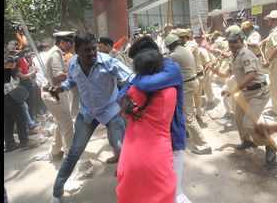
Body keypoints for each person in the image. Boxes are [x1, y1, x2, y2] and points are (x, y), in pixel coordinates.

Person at [49, 33, 133, 203]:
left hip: (111, 111)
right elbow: (72, 81)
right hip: (87, 113)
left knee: (121, 148)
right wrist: (60, 88)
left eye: (94, 48)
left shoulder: (109, 62)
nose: (92, 53)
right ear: (76, 50)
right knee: (74, 152)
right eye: (87, 50)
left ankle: (130, 189)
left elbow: (131, 78)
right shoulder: (73, 63)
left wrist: (124, 97)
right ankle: (57, 192)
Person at [119, 36, 191, 203]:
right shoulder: (146, 73)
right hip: (154, 141)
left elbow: (145, 85)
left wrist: (133, 84)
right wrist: (124, 98)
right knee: (156, 188)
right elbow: (122, 94)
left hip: (173, 135)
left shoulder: (171, 68)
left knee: (174, 190)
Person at [221, 25, 277, 168]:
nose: (232, 45)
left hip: (259, 92)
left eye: (235, 42)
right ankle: (246, 141)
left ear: (241, 40)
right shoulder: (235, 55)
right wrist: (214, 70)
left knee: (249, 123)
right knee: (238, 118)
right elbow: (228, 73)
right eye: (230, 42)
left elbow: (251, 75)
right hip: (246, 92)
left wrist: (234, 89)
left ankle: (269, 146)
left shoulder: (245, 53)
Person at [164, 34, 212, 155]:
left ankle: (203, 144)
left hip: (187, 85)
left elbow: (165, 63)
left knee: (188, 116)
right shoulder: (184, 50)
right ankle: (187, 133)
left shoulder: (175, 55)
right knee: (185, 111)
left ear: (171, 45)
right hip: (192, 81)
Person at [40, 31, 76, 161]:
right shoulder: (55, 54)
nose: (71, 46)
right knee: (67, 124)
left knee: (59, 121)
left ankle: (55, 151)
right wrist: (75, 73)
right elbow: (58, 76)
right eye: (69, 43)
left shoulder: (57, 53)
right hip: (54, 93)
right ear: (62, 42)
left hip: (51, 92)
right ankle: (70, 156)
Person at [4, 55, 39, 152]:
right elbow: (11, 87)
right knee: (20, 120)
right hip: (11, 97)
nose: (14, 66)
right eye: (13, 64)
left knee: (8, 122)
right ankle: (24, 141)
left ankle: (10, 144)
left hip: (6, 99)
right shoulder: (7, 71)